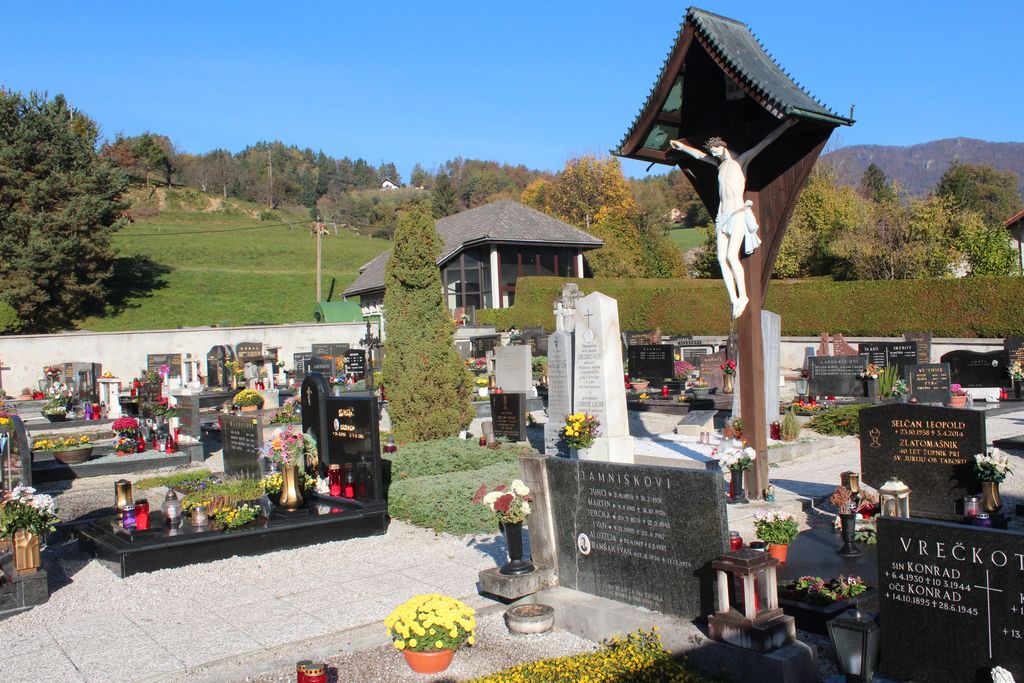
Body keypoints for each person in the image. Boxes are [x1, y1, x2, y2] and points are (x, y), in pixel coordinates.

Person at [670, 119, 796, 318]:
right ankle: (734, 299)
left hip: (736, 213)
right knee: (721, 258)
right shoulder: (719, 165)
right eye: (711, 151)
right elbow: (700, 155)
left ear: (722, 146)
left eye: (715, 150)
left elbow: (766, 141)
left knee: (731, 256)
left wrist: (786, 126)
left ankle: (743, 296)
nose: (713, 154)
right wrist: (682, 147)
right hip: (722, 216)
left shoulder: (741, 161)